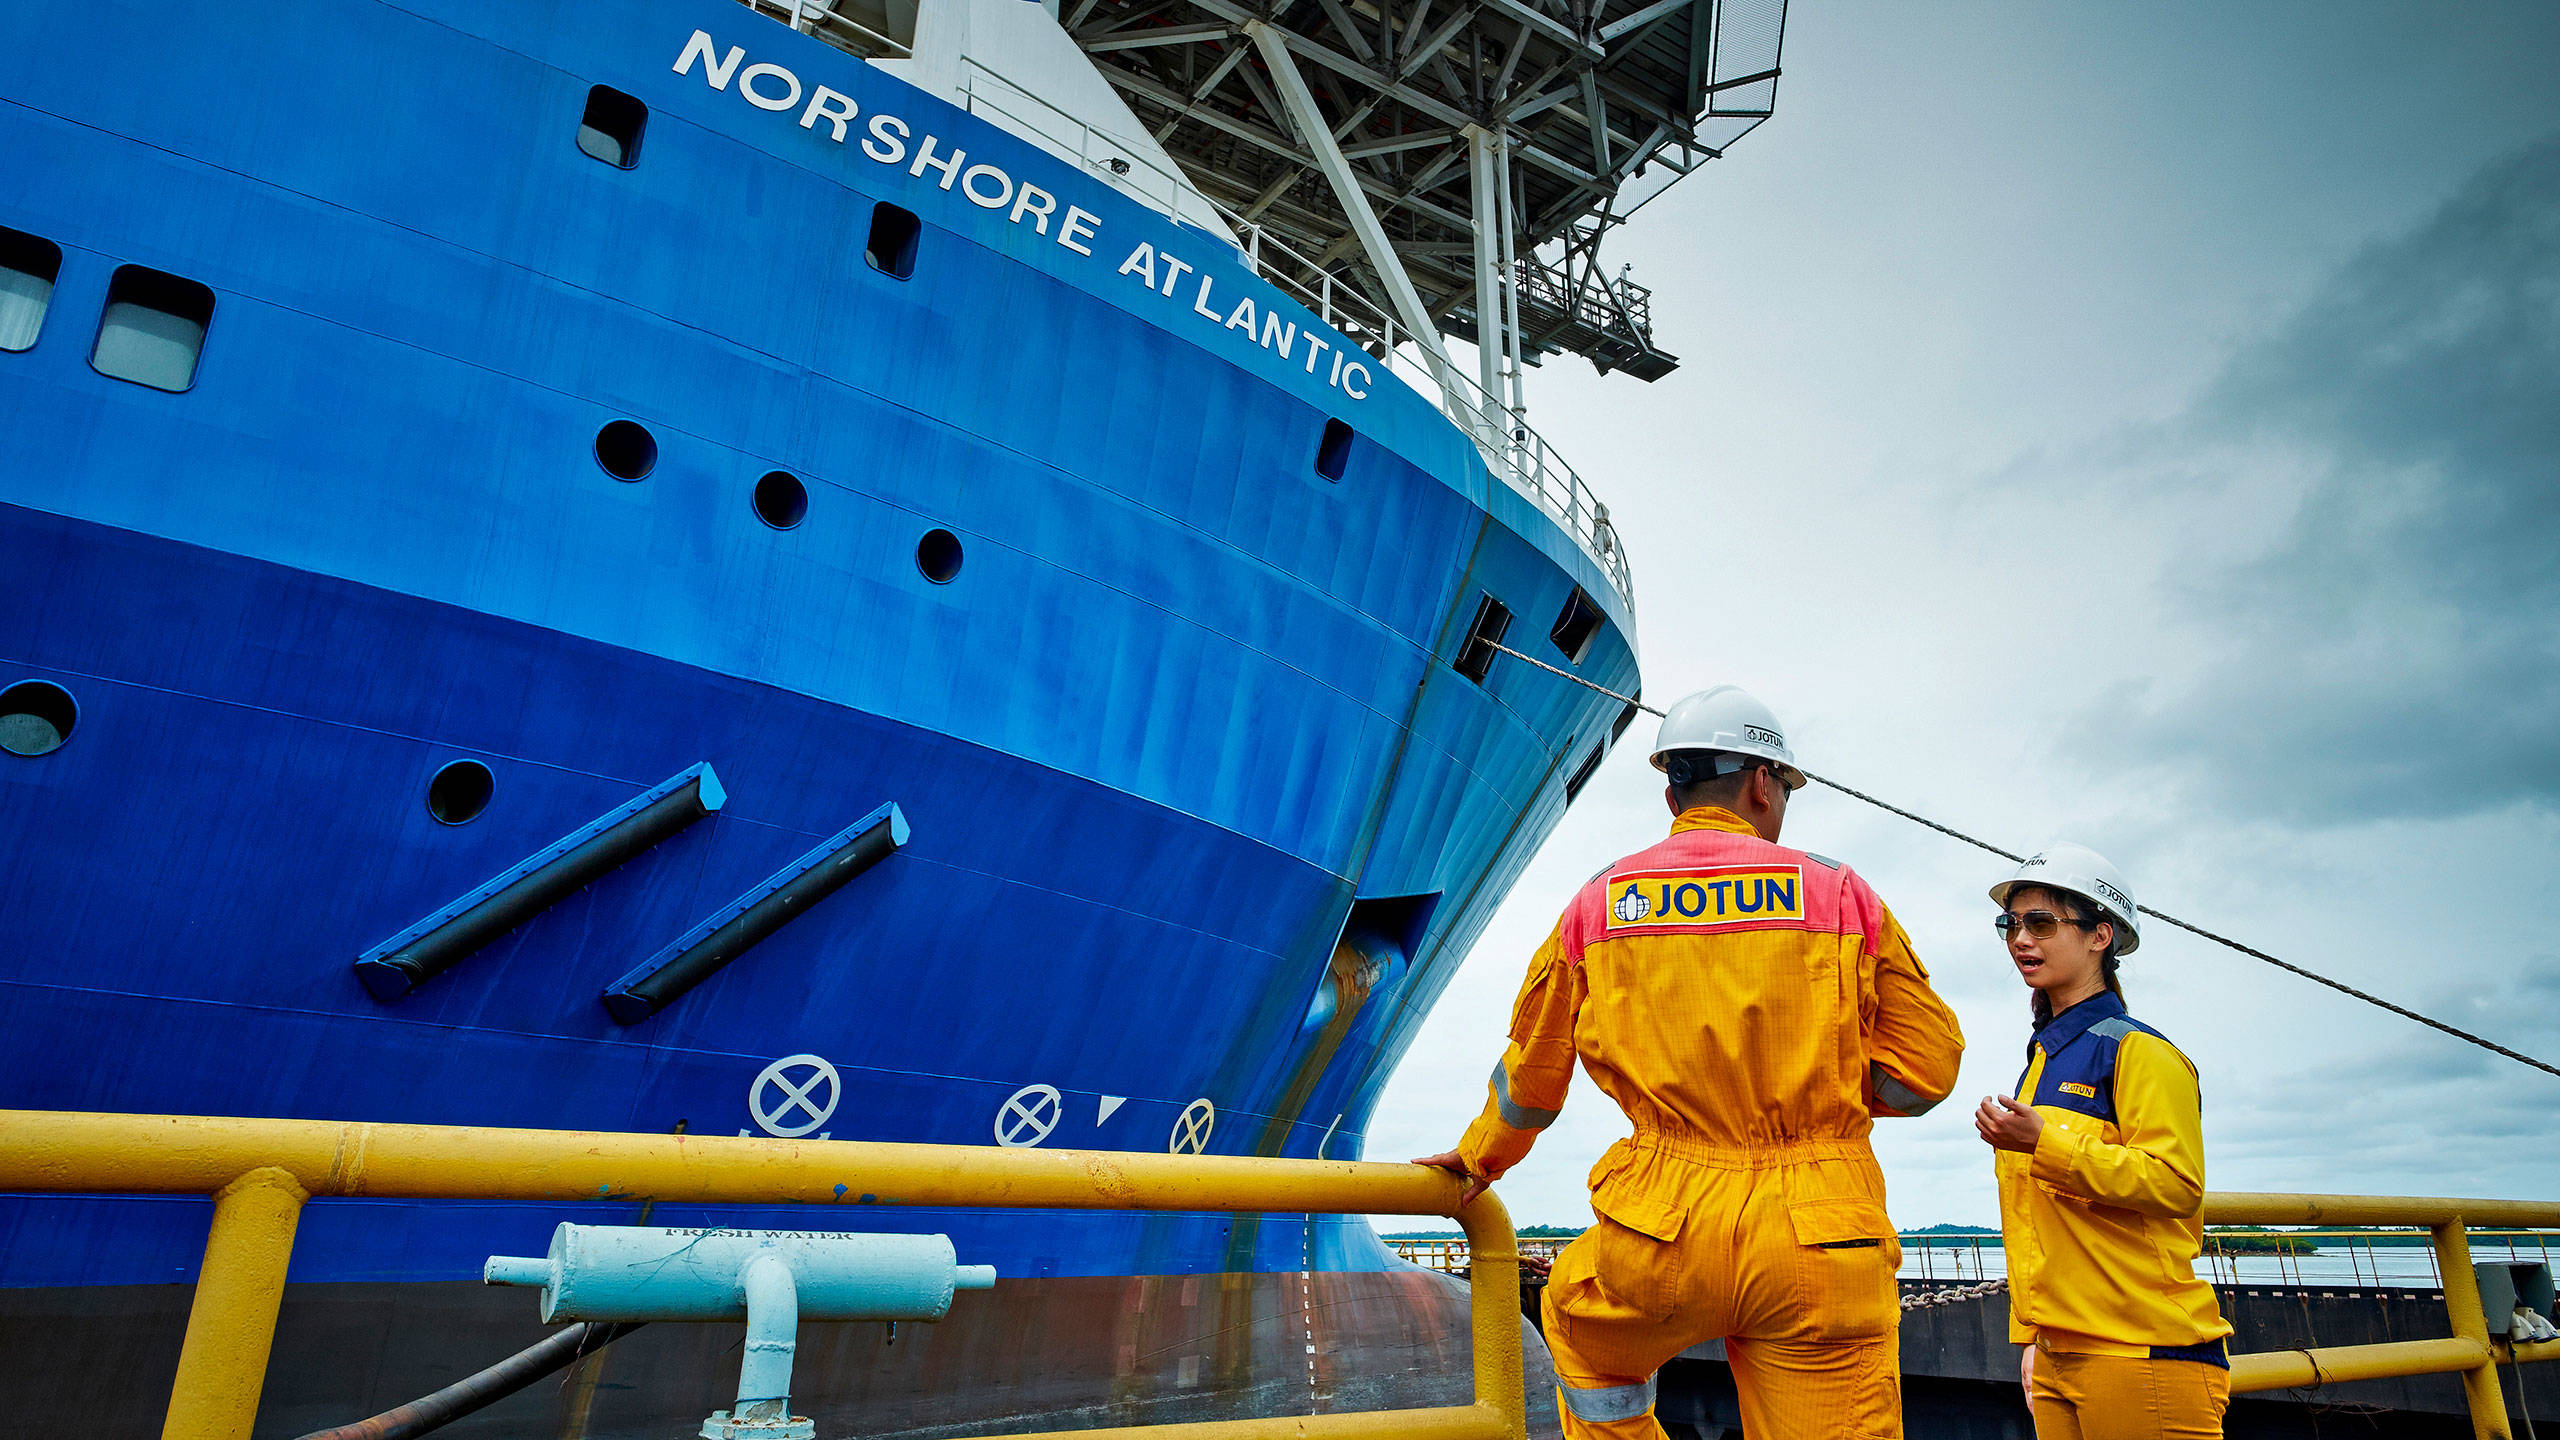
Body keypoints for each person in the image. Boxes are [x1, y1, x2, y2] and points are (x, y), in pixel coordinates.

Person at [1416, 685, 1966, 1440]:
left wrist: (1481, 1159)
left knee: (1581, 1334)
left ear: (1672, 789)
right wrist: (1825, 1094)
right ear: (1762, 782)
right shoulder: (1840, 895)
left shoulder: (1599, 905)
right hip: (1821, 1231)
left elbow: (1532, 1081)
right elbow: (1926, 1071)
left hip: (1660, 1230)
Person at [1973, 844, 2232, 1439]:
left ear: (2100, 937)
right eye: (2010, 925)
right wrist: (2036, 1337)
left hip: (2143, 1351)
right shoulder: (2045, 1057)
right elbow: (2040, 1224)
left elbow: (2177, 1184)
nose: (2020, 939)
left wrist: (2045, 1144)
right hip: (2062, 1354)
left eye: (2041, 923)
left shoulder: (2139, 1052)